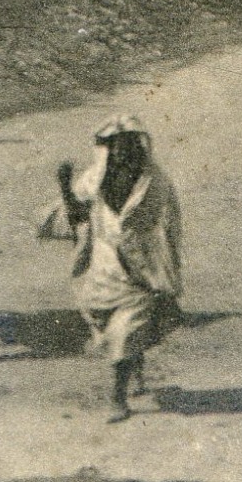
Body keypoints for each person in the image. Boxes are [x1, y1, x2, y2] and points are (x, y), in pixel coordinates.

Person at [57, 116, 184, 423]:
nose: (123, 153)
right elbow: (76, 211)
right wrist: (63, 185)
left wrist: (169, 263)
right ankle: (134, 364)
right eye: (116, 147)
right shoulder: (95, 178)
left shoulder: (155, 180)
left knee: (126, 329)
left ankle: (117, 397)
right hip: (104, 265)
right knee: (105, 323)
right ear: (106, 150)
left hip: (142, 266)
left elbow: (171, 223)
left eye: (130, 146)